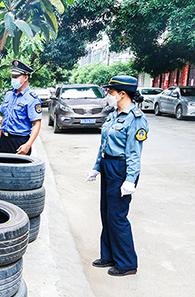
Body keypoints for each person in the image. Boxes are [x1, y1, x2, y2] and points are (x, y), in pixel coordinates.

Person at [85, 75, 148, 277]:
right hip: (107, 165)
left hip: (121, 169)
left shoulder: (135, 118)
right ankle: (110, 255)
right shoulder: (114, 114)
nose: (108, 95)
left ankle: (127, 263)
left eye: (111, 92)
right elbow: (103, 145)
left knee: (117, 216)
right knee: (106, 212)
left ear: (122, 94)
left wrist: (130, 180)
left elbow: (134, 154)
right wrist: (96, 167)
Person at [0, 60, 42, 155]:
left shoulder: (32, 99)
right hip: (4, 139)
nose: (13, 79)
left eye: (16, 77)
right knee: (2, 168)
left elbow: (37, 124)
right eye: (12, 76)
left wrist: (28, 144)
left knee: (18, 169)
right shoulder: (9, 94)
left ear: (25, 78)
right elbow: (5, 117)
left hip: (20, 142)